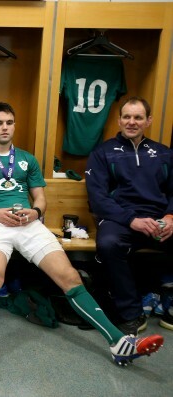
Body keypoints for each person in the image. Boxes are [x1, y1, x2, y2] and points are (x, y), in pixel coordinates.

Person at [0, 102, 164, 366]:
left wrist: (34, 212)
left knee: (70, 277)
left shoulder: (27, 159)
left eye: (9, 122)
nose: (4, 127)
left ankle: (118, 342)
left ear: (14, 125)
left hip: (28, 224)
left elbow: (41, 199)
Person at [85, 96, 173, 335]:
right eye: (127, 117)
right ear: (119, 119)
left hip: (159, 219)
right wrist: (131, 219)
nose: (131, 122)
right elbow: (97, 198)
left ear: (148, 121)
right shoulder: (102, 153)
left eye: (138, 117)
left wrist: (171, 216)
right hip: (121, 220)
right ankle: (132, 313)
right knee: (108, 244)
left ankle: (170, 303)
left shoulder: (164, 153)